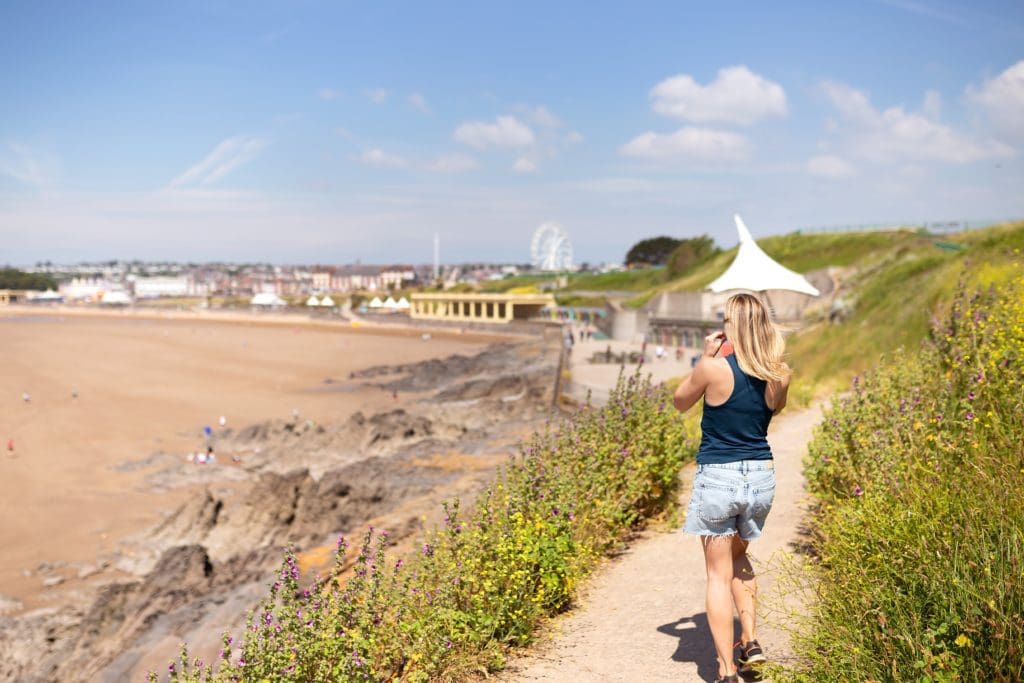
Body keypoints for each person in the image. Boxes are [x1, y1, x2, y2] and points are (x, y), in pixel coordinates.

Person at [672, 293, 791, 683]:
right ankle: (750, 640)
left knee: (717, 575)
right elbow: (773, 409)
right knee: (740, 557)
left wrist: (705, 357)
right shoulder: (780, 373)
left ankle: (726, 669)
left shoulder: (712, 367)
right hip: (759, 477)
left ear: (731, 327)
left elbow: (680, 401)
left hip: (719, 478)